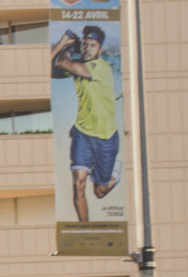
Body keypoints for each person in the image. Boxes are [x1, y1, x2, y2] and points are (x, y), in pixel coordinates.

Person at [52, 25, 120, 222]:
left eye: (92, 45)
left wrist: (67, 46)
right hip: (83, 133)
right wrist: (62, 43)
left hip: (105, 137)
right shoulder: (79, 67)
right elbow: (50, 66)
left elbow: (62, 63)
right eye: (84, 45)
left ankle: (115, 174)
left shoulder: (100, 68)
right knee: (78, 184)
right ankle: (85, 228)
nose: (87, 48)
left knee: (99, 191)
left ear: (100, 50)